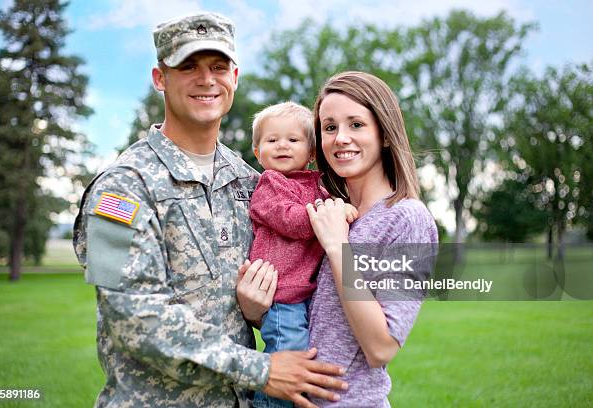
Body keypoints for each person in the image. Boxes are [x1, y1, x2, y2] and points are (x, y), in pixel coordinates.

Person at [73, 12, 346, 408]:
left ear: (234, 78)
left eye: (218, 66)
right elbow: (133, 319)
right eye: (188, 66)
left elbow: (288, 272)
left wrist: (256, 309)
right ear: (159, 78)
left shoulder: (248, 181)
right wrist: (263, 370)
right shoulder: (121, 190)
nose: (206, 80)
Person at [305, 71, 439, 406]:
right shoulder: (331, 214)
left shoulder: (407, 219)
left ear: (384, 134)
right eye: (330, 127)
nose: (340, 138)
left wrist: (339, 248)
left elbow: (381, 347)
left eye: (356, 125)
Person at [244, 102, 358, 408]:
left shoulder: (319, 183)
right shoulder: (270, 184)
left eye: (293, 140)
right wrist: (331, 212)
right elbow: (291, 220)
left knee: (311, 357)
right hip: (280, 293)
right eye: (272, 140)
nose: (282, 145)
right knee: (287, 356)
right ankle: (269, 405)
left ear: (311, 152)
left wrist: (335, 205)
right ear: (257, 152)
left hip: (306, 291)